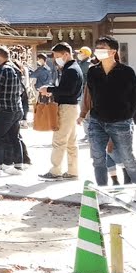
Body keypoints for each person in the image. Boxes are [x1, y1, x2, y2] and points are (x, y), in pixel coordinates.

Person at [81, 36, 136, 200]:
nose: (99, 50)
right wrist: (86, 114)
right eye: (97, 47)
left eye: (103, 47)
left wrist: (126, 116)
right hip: (97, 121)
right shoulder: (93, 71)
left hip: (121, 122)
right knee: (98, 158)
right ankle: (102, 191)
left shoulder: (126, 71)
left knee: (127, 157)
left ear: (113, 51)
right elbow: (91, 95)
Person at [39, 42, 84, 181]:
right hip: (72, 107)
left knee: (59, 140)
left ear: (66, 54)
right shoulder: (73, 68)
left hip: (66, 107)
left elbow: (67, 90)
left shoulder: (70, 70)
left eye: (57, 56)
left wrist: (49, 90)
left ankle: (55, 171)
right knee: (71, 142)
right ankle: (72, 170)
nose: (56, 59)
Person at [0, 48, 25, 176]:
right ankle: (17, 165)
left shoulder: (2, 70)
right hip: (17, 108)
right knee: (14, 137)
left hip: (4, 109)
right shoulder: (16, 69)